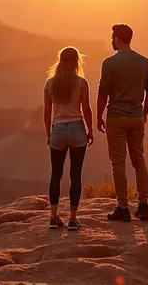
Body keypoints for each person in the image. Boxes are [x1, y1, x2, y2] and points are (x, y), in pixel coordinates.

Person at [97, 24, 148, 222]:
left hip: (116, 118)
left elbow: (103, 92)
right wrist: (144, 113)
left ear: (118, 39)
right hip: (136, 117)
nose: (111, 40)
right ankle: (144, 206)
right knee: (138, 159)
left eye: (112, 37)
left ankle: (123, 208)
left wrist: (98, 116)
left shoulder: (109, 63)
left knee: (118, 162)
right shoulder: (144, 61)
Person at [44, 46, 94, 230]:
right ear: (76, 62)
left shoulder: (50, 83)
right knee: (75, 175)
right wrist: (90, 131)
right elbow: (86, 109)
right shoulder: (81, 83)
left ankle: (53, 217)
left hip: (57, 129)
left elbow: (47, 111)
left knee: (56, 174)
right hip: (76, 129)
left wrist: (49, 133)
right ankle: (73, 219)